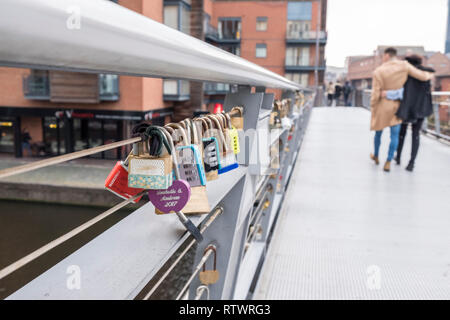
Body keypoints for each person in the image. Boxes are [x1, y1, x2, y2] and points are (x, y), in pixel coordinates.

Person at [370, 47, 433, 172]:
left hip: (394, 106)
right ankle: (399, 162)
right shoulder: (412, 70)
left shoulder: (382, 71)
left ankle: (385, 156)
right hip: (408, 107)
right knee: (404, 135)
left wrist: (376, 102)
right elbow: (424, 80)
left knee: (388, 134)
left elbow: (380, 92)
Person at [387, 55, 434, 172]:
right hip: (421, 108)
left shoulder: (406, 72)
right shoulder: (426, 73)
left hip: (407, 107)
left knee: (402, 133)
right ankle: (411, 162)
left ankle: (398, 157)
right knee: (416, 135)